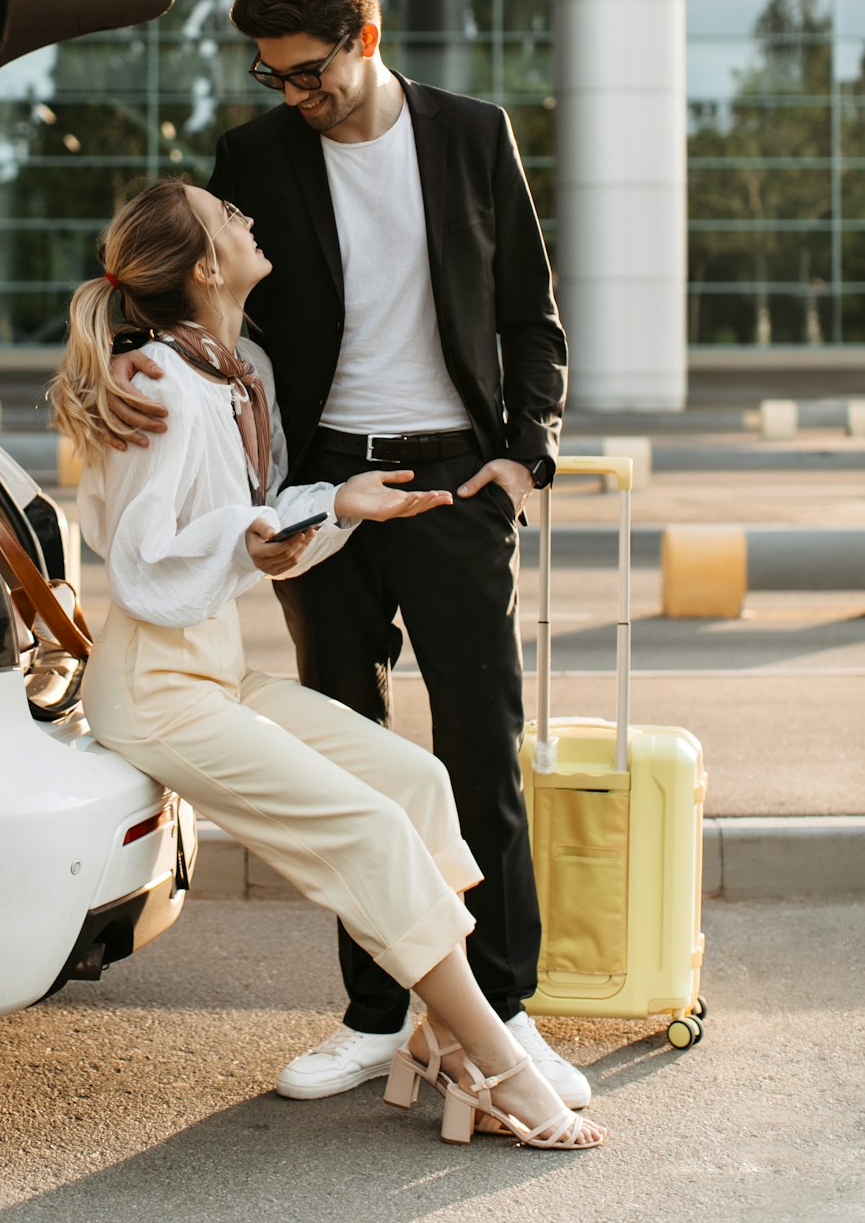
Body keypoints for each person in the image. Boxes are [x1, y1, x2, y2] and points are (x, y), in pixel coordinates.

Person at [109, 0, 586, 1111]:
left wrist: (526, 457)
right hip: (320, 489)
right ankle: (379, 1013)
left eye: (310, 71)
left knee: (479, 741)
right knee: (344, 740)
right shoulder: (254, 156)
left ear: (364, 39)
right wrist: (126, 359)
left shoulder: (474, 134)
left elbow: (530, 311)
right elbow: (167, 278)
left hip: (452, 482)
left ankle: (500, 1007)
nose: (294, 95)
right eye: (275, 76)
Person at [51, 176, 602, 1151]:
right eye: (228, 216)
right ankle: (500, 1063)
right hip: (153, 690)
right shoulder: (154, 380)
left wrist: (337, 504)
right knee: (368, 827)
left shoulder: (234, 368)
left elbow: (257, 531)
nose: (250, 216)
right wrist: (271, 523)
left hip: (212, 672)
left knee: (416, 782)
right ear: (207, 265)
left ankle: (442, 1037)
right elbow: (141, 556)